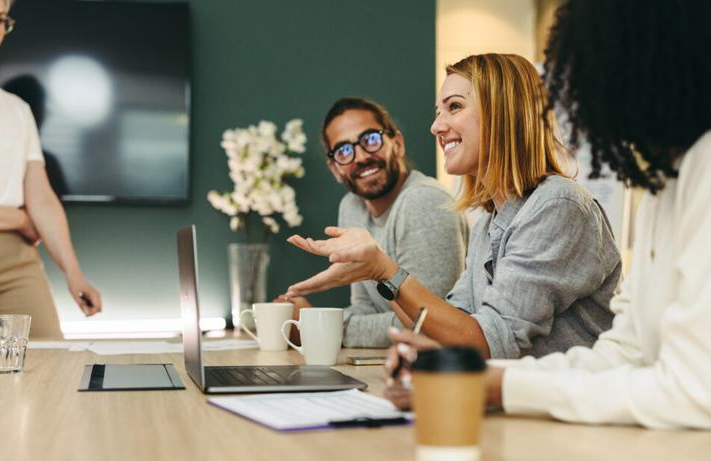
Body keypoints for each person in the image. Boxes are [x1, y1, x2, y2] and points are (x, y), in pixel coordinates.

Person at [385, 0, 711, 429]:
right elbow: (621, 355)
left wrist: (498, 385)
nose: (575, 98)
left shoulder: (564, 203)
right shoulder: (662, 186)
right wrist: (480, 377)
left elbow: (694, 393)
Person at [287, 54, 622, 359]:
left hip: (567, 417)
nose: (436, 126)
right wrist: (377, 275)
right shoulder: (489, 223)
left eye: (455, 107)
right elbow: (447, 327)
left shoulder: (557, 205)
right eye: (438, 112)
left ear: (501, 112)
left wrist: (382, 270)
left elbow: (487, 342)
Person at [280, 97, 467, 347]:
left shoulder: (424, 201)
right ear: (335, 169)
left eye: (370, 139)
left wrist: (316, 326)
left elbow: (428, 328)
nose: (360, 157)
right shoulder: (352, 207)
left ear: (397, 144)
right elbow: (365, 308)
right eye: (344, 151)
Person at [0, 0, 101, 339]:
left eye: (0, 20)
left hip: (18, 259)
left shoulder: (17, 110)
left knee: (50, 366)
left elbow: (40, 197)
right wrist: (20, 219)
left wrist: (74, 275)